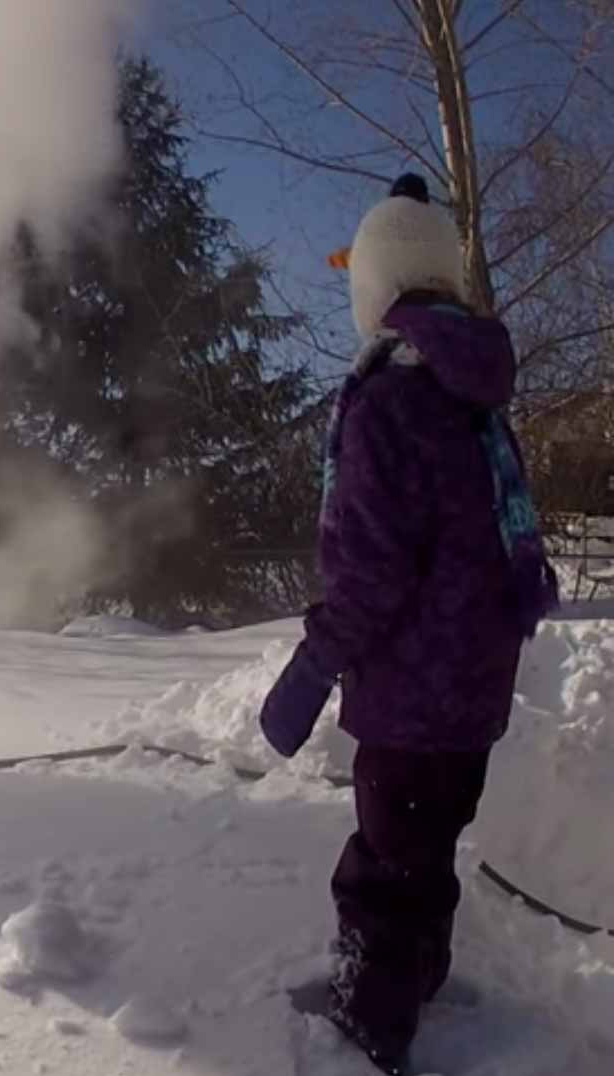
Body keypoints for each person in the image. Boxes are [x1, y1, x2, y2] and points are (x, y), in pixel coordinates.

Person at [257, 174, 558, 1075]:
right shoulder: (474, 395)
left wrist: (311, 669)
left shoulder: (387, 402)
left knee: (385, 867)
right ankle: (419, 979)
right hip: (473, 693)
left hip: (409, 698)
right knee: (428, 852)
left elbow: (371, 572)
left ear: (375, 285)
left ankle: (371, 1031)